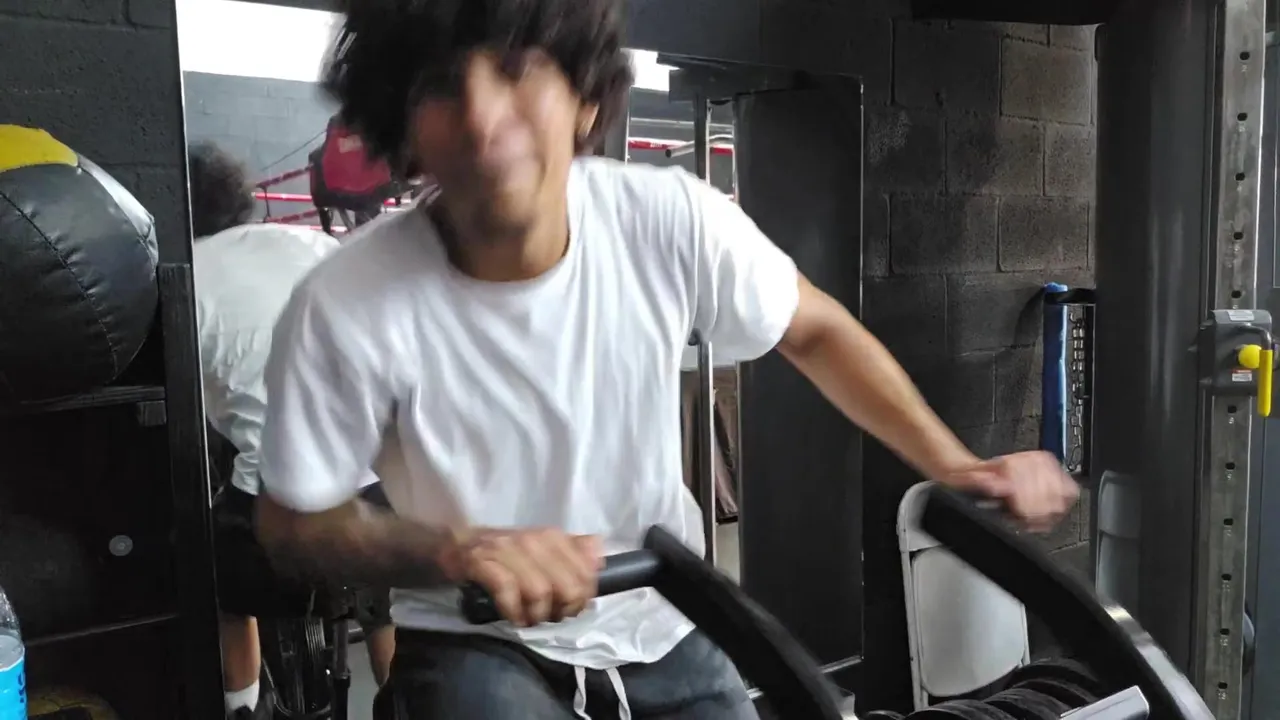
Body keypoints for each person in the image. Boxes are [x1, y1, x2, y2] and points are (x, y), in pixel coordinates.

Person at [251, 1, 1081, 718]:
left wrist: (955, 464)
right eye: (441, 86)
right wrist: (456, 552)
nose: (481, 116)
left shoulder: (667, 220)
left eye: (514, 69)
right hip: (477, 636)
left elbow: (816, 329)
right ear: (404, 126)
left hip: (662, 617)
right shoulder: (344, 304)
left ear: (583, 99)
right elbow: (294, 525)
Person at [187, 143, 398, 720]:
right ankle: (402, 700)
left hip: (278, 507)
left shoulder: (188, 277)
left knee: (222, 592)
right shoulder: (313, 242)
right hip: (374, 483)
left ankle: (241, 708)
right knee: (380, 608)